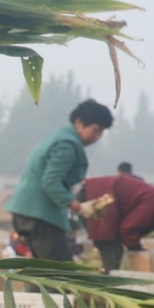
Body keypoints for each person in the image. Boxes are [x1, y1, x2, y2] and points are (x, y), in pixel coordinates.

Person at [6, 100, 112, 262]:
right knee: (62, 276)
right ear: (79, 122)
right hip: (39, 214)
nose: (97, 137)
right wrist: (80, 207)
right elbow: (50, 182)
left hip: (27, 212)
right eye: (95, 130)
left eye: (101, 133)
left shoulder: (60, 135)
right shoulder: (67, 144)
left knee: (45, 274)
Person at [80, 173, 154, 270]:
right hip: (97, 198)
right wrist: (136, 248)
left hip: (97, 193)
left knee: (113, 251)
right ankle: (104, 293)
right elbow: (128, 228)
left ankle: (104, 287)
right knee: (113, 251)